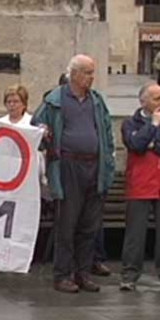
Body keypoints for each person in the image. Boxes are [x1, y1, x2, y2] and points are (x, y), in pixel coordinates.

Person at [32, 55, 116, 293]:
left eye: (92, 72)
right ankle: (62, 274)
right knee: (67, 225)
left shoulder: (96, 101)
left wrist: (107, 160)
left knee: (89, 226)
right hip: (68, 166)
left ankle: (83, 273)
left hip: (94, 167)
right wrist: (43, 131)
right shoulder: (55, 100)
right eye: (88, 72)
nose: (92, 77)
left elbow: (107, 134)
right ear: (75, 74)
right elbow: (37, 127)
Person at [119, 83, 160, 292]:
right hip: (140, 185)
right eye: (157, 99)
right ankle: (129, 275)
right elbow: (136, 145)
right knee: (135, 234)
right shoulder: (130, 123)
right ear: (143, 101)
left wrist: (155, 145)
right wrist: (153, 127)